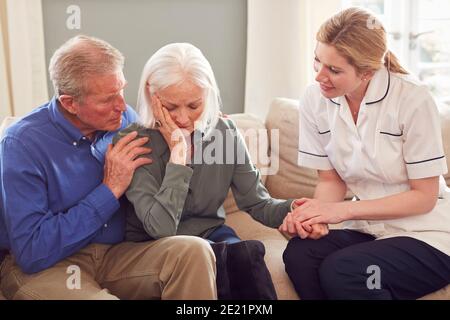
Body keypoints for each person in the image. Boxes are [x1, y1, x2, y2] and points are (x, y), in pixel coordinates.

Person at [0, 35, 217, 300]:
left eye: (121, 91)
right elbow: (32, 252)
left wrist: (202, 129)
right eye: (107, 100)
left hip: (117, 255)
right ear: (70, 103)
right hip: (50, 267)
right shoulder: (21, 144)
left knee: (194, 251)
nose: (121, 106)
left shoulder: (125, 120)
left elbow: (163, 180)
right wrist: (110, 189)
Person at [112, 42, 328, 299]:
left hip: (213, 236)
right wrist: (179, 156)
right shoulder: (134, 142)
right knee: (223, 261)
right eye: (171, 107)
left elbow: (257, 203)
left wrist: (297, 211)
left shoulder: (224, 133)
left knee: (245, 255)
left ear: (208, 94)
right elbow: (161, 228)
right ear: (151, 95)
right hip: (155, 246)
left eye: (194, 105)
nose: (183, 118)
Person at [281, 7, 450, 300]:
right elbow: (331, 181)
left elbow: (424, 196)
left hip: (430, 234)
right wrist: (314, 218)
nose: (320, 76)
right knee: (300, 254)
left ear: (368, 72)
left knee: (346, 270)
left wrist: (340, 211)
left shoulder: (412, 98)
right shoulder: (314, 99)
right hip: (371, 228)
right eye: (317, 61)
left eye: (334, 70)